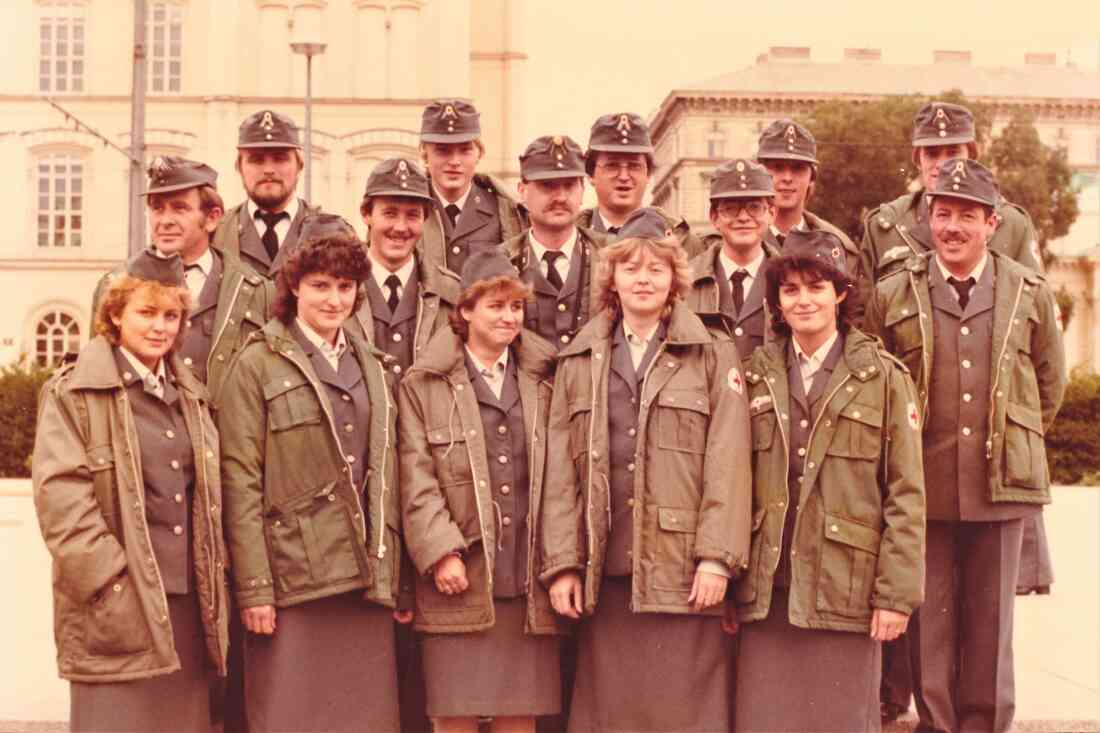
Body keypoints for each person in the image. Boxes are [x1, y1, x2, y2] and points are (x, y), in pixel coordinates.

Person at [861, 101, 1050, 721]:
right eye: (943, 215)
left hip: (999, 485)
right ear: (928, 217)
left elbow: (1048, 383)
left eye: (967, 216)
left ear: (992, 223)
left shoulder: (1027, 290)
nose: (953, 228)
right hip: (926, 486)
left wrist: (1013, 441)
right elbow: (877, 383)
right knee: (929, 633)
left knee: (990, 632)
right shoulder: (896, 291)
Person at [541, 207, 751, 732]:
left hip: (684, 573)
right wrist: (563, 563)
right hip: (606, 572)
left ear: (675, 279)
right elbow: (560, 478)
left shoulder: (710, 351)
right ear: (611, 277)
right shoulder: (579, 358)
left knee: (684, 713)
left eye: (656, 269)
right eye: (631, 268)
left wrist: (716, 559)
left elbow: (729, 461)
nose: (643, 279)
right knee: (612, 713)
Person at [731, 229, 926, 732]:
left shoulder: (883, 378)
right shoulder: (753, 376)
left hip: (847, 589)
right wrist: (734, 584)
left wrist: (895, 597)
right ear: (775, 300)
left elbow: (906, 495)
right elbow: (732, 485)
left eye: (817, 287)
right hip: (769, 591)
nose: (804, 300)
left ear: (840, 294)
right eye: (790, 289)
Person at [33, 248, 229, 732]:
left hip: (186, 608)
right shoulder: (73, 393)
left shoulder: (192, 396)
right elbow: (62, 504)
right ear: (115, 316)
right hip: (116, 605)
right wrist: (113, 585)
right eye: (146, 312)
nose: (160, 326)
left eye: (171, 315)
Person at [217, 223, 402, 732]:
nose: (334, 298)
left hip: (364, 582)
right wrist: (255, 588)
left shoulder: (375, 366)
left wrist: (393, 576)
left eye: (345, 286)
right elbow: (240, 482)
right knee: (292, 716)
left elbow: (388, 476)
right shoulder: (256, 364)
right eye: (321, 285)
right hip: (293, 581)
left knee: (361, 719)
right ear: (294, 286)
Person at [398, 250, 563, 733]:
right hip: (460, 575)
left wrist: (557, 563)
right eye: (495, 306)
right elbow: (415, 475)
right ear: (465, 310)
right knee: (454, 713)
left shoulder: (545, 378)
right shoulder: (423, 383)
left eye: (515, 307)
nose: (508, 317)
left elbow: (559, 477)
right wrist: (441, 551)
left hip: (526, 578)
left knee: (520, 714)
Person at [91, 156, 272, 406]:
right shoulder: (116, 285)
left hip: (225, 440)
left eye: (179, 208)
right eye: (157, 208)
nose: (165, 221)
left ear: (212, 218)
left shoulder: (254, 289)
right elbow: (97, 378)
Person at [352, 157, 461, 381]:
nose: (401, 227)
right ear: (366, 214)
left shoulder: (450, 291)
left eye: (412, 215)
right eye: (390, 213)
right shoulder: (340, 287)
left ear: (425, 219)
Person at [502, 135, 606, 350]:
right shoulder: (499, 262)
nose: (560, 197)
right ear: (522, 191)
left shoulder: (611, 256)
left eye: (569, 185)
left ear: (582, 190)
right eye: (547, 185)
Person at [416, 99, 526, 276]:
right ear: (425, 155)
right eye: (443, 151)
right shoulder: (412, 210)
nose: (454, 162)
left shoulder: (502, 211)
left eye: (465, 150)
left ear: (479, 154)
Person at [686, 158, 781, 358]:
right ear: (714, 217)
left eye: (754, 207)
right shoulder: (685, 282)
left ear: (771, 213)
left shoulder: (788, 280)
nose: (744, 217)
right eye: (731, 208)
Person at [577, 112, 704, 257]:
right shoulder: (571, 239)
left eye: (634, 166)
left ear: (648, 174)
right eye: (612, 166)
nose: (624, 176)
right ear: (591, 175)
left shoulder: (683, 243)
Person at [213, 110, 317, 280]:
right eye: (256, 160)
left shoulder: (328, 232)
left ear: (299, 166)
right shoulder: (218, 233)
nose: (268, 170)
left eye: (280, 159)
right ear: (239, 167)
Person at [755, 119, 861, 284]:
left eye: (798, 168)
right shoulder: (733, 240)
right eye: (777, 167)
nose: (787, 178)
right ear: (759, 173)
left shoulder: (838, 246)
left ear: (812, 177)